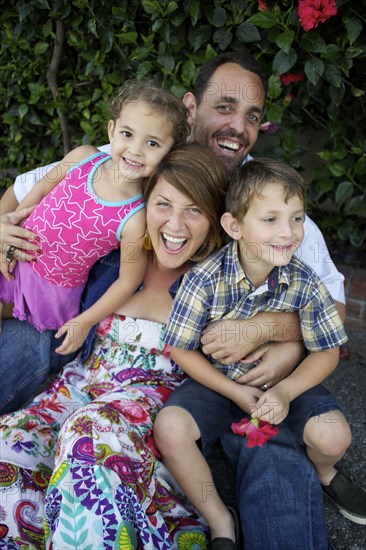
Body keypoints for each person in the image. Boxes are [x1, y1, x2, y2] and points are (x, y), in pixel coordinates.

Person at [0, 51, 362, 545]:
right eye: (225, 107)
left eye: (252, 116)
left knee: (273, 449)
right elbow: (30, 191)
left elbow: (329, 310)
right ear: (190, 108)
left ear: (223, 224)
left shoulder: (268, 202)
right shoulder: (134, 158)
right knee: (26, 383)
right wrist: (5, 225)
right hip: (97, 351)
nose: (237, 126)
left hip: (215, 369)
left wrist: (270, 332)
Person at [0, 144, 229, 549]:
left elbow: (294, 320)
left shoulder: (217, 285)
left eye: (194, 210)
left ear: (215, 220)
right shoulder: (112, 256)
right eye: (163, 204)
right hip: (76, 389)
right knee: (10, 443)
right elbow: (32, 249)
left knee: (87, 434)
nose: (175, 225)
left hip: (137, 414)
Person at [153, 158, 352, 548]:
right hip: (214, 384)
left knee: (333, 437)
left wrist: (285, 392)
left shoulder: (304, 281)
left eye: (297, 219)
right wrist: (235, 393)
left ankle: (324, 472)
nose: (288, 233)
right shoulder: (205, 278)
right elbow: (180, 348)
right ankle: (221, 521)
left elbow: (328, 352)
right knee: (170, 428)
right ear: (234, 226)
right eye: (271, 219)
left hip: (280, 381)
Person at [0, 79, 189, 355]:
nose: (135, 150)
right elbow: (40, 189)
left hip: (51, 287)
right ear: (111, 131)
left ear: (169, 153)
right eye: (127, 134)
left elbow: (126, 281)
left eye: (151, 143)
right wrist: (14, 229)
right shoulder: (83, 157)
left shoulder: (135, 218)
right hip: (18, 258)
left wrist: (85, 321)